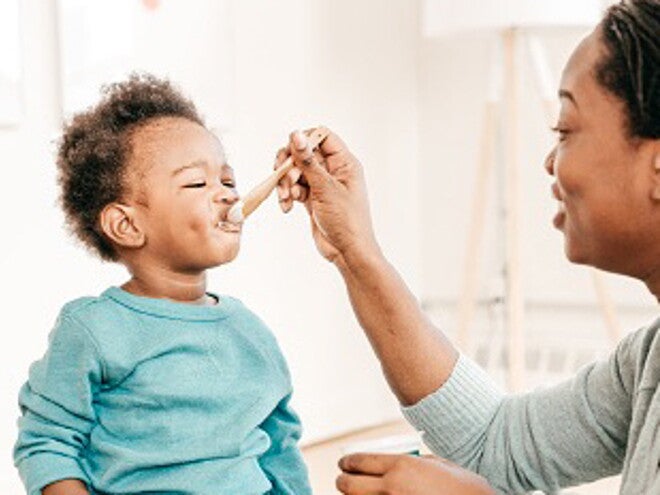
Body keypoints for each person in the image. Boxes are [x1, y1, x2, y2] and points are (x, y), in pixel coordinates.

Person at [275, 0, 660, 493]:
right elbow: (496, 441)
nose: (550, 162)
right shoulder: (648, 361)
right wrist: (355, 249)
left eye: (564, 130)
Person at [13, 74, 311, 495]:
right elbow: (47, 441)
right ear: (127, 224)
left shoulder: (251, 333)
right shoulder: (93, 330)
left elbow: (280, 448)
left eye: (228, 181)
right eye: (196, 183)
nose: (226, 195)